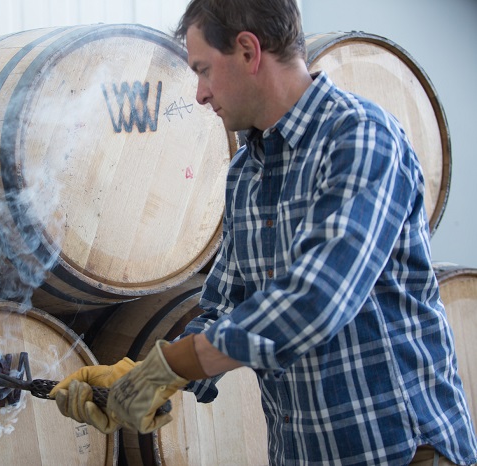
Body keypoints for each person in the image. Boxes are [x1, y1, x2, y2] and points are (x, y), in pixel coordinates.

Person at [49, 0, 477, 463]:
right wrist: (129, 382)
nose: (199, 94)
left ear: (249, 51)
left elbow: (316, 301)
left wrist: (166, 370)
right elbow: (225, 310)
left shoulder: (360, 138)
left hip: (400, 451)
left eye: (204, 70)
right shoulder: (244, 174)